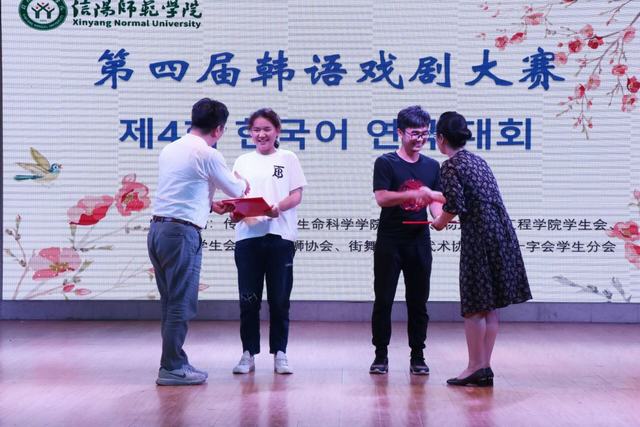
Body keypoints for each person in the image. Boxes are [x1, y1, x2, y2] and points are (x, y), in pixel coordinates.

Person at [148, 98, 248, 386]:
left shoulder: (171, 148)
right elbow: (237, 190)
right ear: (218, 129)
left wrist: (209, 205)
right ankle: (171, 367)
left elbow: (183, 188)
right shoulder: (208, 154)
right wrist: (243, 182)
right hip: (181, 234)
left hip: (159, 230)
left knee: (171, 301)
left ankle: (173, 362)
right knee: (181, 302)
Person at [430, 111, 532, 387]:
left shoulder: (450, 166)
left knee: (475, 305)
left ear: (441, 138)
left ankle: (474, 367)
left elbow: (455, 205)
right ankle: (484, 366)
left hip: (479, 237)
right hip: (501, 233)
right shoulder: (478, 161)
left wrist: (439, 222)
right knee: (490, 306)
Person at [230, 108, 307, 375]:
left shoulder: (288, 158)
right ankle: (248, 353)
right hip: (247, 238)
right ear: (250, 133)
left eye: (266, 129)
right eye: (256, 130)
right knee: (248, 299)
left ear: (277, 131)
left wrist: (277, 208)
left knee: (279, 299)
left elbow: (296, 195)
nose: (261, 134)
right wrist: (235, 211)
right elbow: (237, 198)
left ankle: (280, 353)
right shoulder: (242, 161)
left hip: (280, 237)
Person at [370, 105, 445, 375]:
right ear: (400, 133)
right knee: (384, 300)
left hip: (419, 241)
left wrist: (439, 218)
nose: (420, 139)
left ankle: (418, 355)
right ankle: (381, 354)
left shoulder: (432, 166)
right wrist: (413, 195)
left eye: (424, 133)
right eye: (414, 133)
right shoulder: (386, 162)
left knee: (418, 301)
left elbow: (434, 200)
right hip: (390, 240)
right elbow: (382, 198)